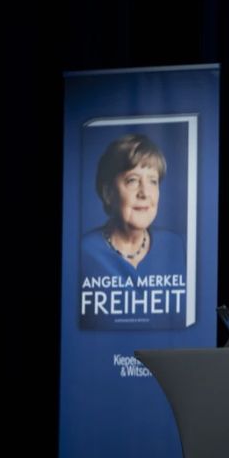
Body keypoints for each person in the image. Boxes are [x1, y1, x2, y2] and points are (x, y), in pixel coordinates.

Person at [80, 134, 186, 329]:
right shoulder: (82, 253)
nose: (144, 193)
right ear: (108, 192)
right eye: (132, 180)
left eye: (153, 181)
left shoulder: (177, 246)